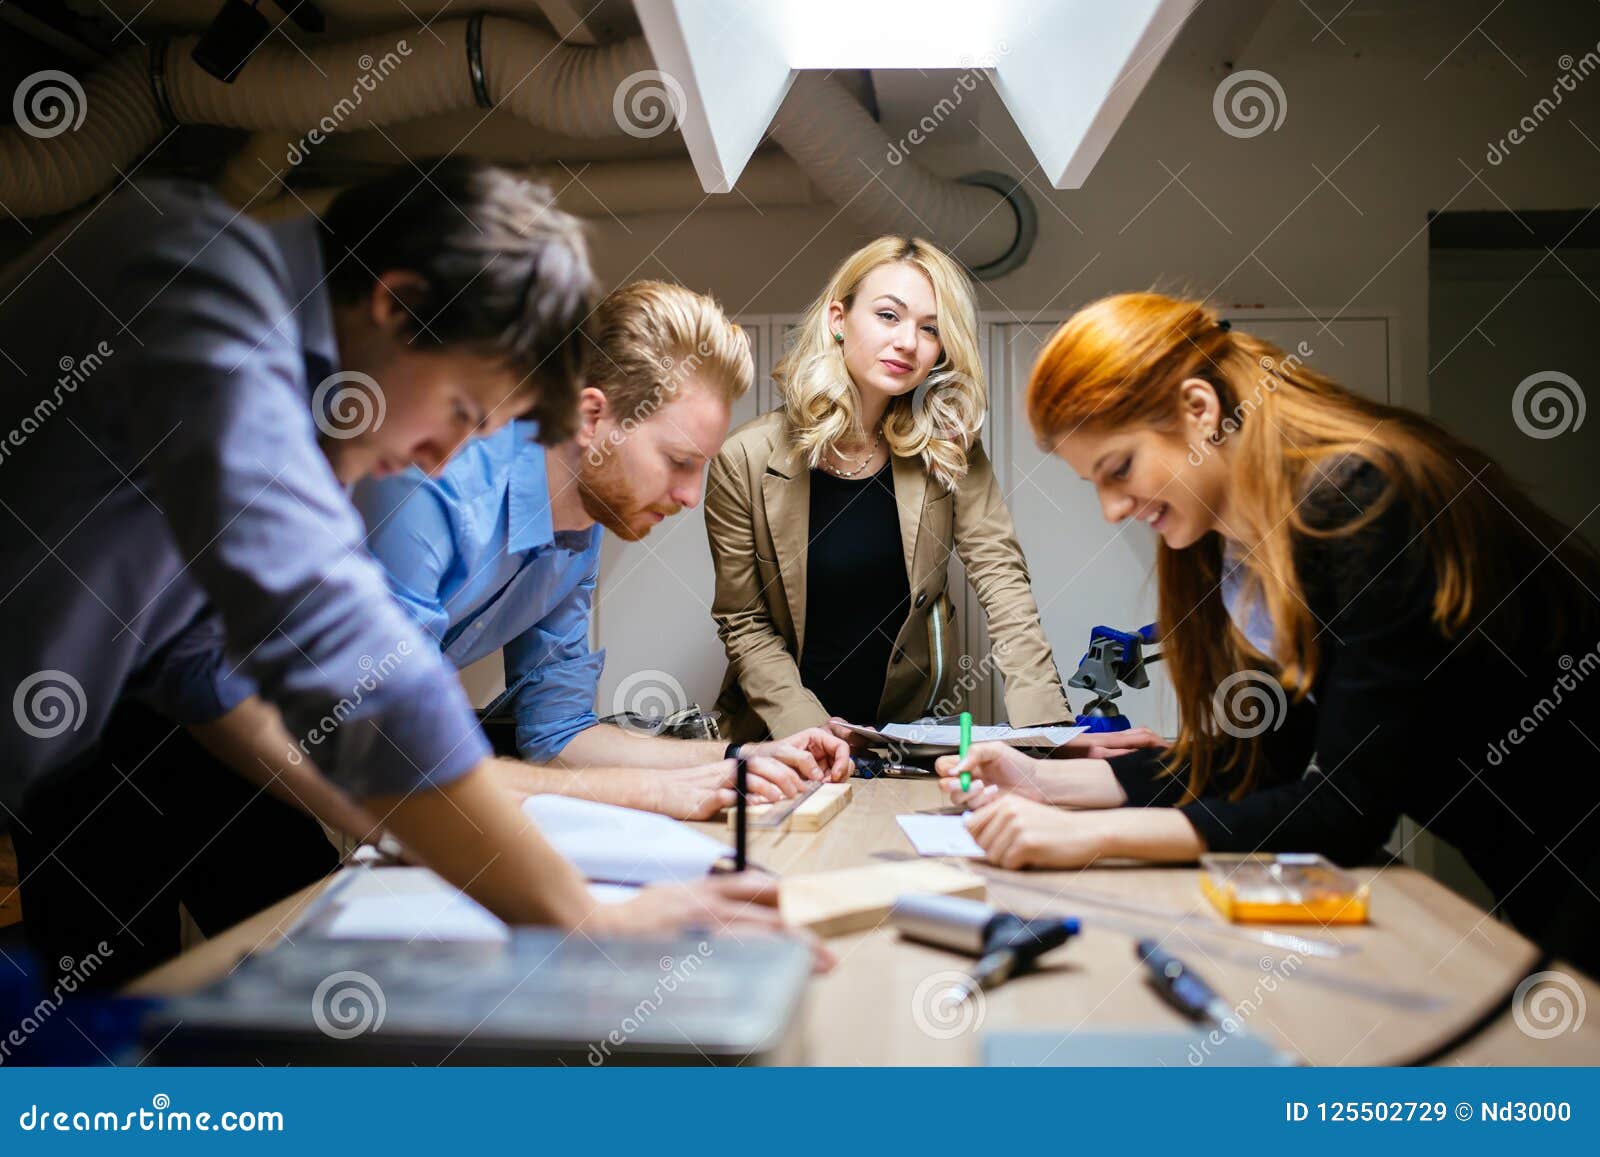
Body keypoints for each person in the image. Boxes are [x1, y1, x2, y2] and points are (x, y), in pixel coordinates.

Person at [0, 160, 790, 988]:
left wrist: (432, 841)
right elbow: (357, 666)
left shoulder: (262, 410)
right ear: (398, 303)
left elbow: (211, 675)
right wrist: (587, 919)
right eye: (460, 411)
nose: (445, 456)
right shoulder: (191, 275)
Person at [938, 290, 1600, 972]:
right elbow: (1255, 760)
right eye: (1093, 484)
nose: (1112, 509)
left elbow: (1345, 812)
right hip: (1531, 855)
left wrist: (1089, 837)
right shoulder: (1229, 544)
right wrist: (1045, 784)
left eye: (1121, 468)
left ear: (1200, 411)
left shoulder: (1365, 500)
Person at [354, 280, 851, 823]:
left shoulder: (582, 525)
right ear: (593, 418)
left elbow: (558, 733)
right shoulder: (432, 483)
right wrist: (653, 794)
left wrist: (737, 758)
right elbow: (397, 756)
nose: (690, 496)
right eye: (679, 461)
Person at [705, 235, 1087, 747]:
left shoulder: (949, 445)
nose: (908, 341)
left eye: (930, 328)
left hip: (905, 739)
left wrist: (1049, 730)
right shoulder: (745, 459)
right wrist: (812, 732)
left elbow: (1001, 577)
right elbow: (744, 620)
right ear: (838, 319)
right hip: (780, 739)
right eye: (889, 315)